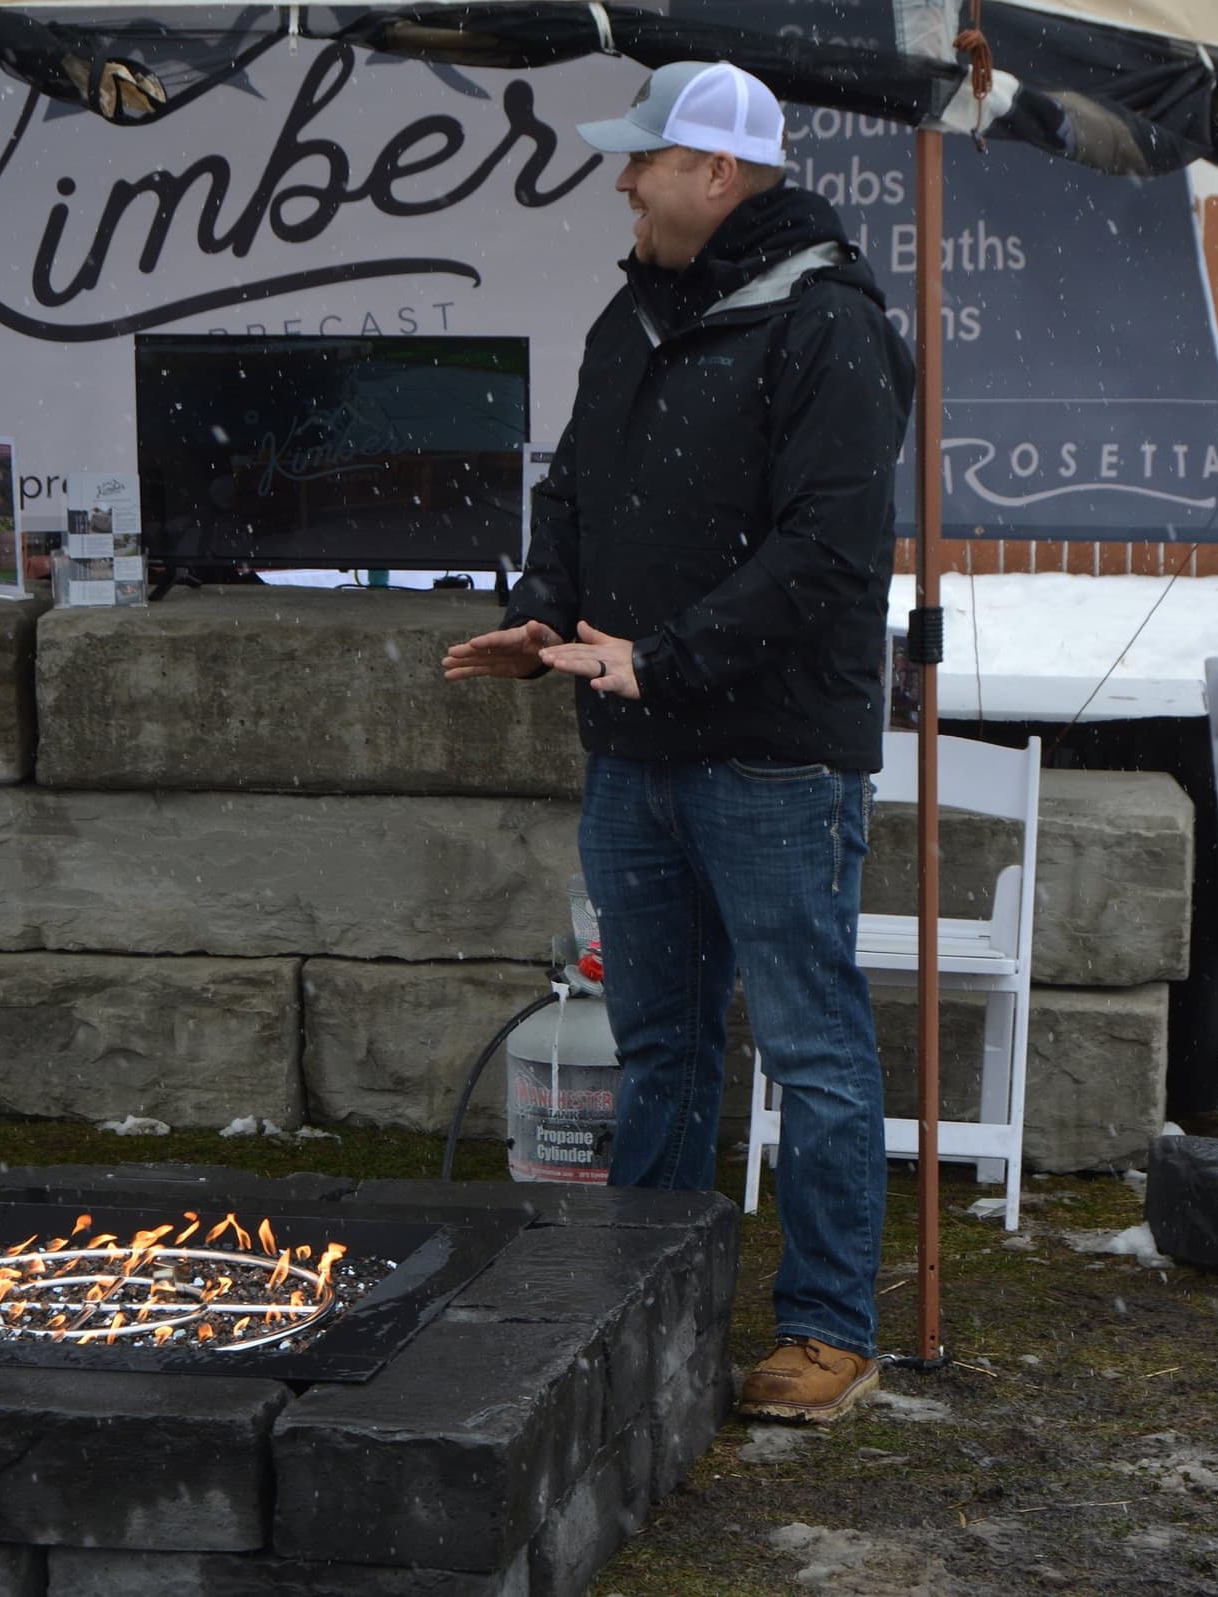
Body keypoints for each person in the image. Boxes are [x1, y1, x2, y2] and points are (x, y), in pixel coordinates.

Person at [444, 61, 915, 1423]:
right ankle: (636, 1301)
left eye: (643, 159)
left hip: (770, 757)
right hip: (632, 753)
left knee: (812, 1048)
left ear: (718, 172)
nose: (621, 178)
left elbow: (826, 554)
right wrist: (542, 618)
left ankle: (828, 1328)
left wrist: (662, 658)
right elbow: (575, 488)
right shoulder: (631, 316)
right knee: (656, 1044)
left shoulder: (830, 327)